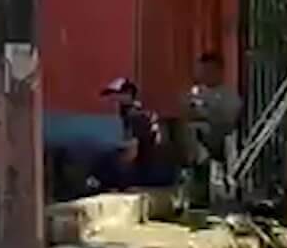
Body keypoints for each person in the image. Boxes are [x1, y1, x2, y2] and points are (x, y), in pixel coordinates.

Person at [183, 52, 243, 199]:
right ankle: (197, 164)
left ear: (219, 71)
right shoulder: (195, 91)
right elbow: (186, 112)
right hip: (197, 135)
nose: (205, 74)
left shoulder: (229, 94)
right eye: (203, 70)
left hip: (220, 136)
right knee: (184, 130)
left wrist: (204, 112)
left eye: (209, 70)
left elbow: (229, 119)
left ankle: (201, 162)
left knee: (197, 130)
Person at [100, 77, 176, 189]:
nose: (112, 100)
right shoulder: (143, 113)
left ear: (129, 94)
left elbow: (132, 153)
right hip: (165, 172)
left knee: (106, 161)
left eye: (116, 95)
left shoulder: (134, 117)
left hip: (151, 174)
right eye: (110, 96)